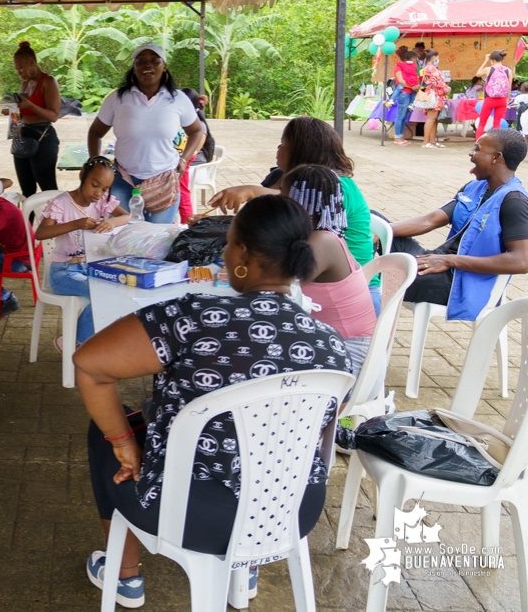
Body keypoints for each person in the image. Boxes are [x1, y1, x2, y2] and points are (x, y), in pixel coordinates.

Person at [75, 195, 352, 608]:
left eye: (228, 243)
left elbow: (89, 365)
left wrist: (124, 443)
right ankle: (246, 570)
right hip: (293, 511)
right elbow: (319, 425)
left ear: (242, 254)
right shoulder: (331, 345)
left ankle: (126, 576)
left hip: (191, 515)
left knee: (106, 430)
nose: (224, 251)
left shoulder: (192, 316)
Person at [207, 116, 380, 312]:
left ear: (300, 150)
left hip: (355, 297)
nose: (278, 149)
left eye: (282, 144)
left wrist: (253, 191)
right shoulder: (308, 188)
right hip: (321, 289)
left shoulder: (334, 188)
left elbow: (283, 279)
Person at [390, 129, 528, 317]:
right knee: (374, 222)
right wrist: (378, 232)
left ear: (496, 158)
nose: (471, 154)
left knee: (385, 277)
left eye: (477, 149)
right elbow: (430, 220)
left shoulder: (514, 201)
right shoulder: (474, 187)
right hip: (437, 261)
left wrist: (449, 260)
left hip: (461, 282)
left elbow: (521, 261)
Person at [88, 43, 204, 223]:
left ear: (164, 66)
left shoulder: (178, 99)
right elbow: (95, 132)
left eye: (155, 61)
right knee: (120, 237)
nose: (147, 65)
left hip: (163, 182)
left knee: (156, 240)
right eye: (140, 61)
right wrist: (95, 162)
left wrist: (183, 159)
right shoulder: (117, 98)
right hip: (123, 180)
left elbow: (197, 130)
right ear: (134, 68)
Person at [282, 165, 376, 371]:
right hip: (330, 343)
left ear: (301, 203)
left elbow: (279, 284)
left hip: (350, 357)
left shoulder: (322, 242)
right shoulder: (321, 235)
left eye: (284, 197)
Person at [35, 156, 129, 352]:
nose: (98, 193)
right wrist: (75, 224)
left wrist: (111, 222)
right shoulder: (62, 203)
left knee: (120, 288)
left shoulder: (102, 201)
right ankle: (77, 343)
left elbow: (126, 216)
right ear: (82, 176)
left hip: (90, 266)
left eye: (104, 189)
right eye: (95, 185)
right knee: (100, 293)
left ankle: (83, 339)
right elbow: (41, 233)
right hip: (63, 271)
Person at [3, 41, 62, 197]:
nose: (19, 72)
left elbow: (54, 115)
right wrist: (11, 111)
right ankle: (27, 221)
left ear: (31, 62)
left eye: (21, 67)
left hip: (44, 137)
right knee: (27, 191)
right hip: (24, 137)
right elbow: (22, 114)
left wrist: (29, 104)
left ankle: (55, 220)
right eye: (17, 69)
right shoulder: (25, 84)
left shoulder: (48, 81)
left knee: (48, 188)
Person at [175, 88, 214, 221]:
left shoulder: (199, 126)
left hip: (194, 166)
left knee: (181, 192)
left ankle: (186, 221)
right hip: (183, 162)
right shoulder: (178, 123)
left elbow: (193, 153)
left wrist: (181, 160)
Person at [475, 50, 512, 140]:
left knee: (482, 124)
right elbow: (509, 88)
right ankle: (496, 145)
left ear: (492, 60)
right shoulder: (508, 71)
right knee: (497, 124)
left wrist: (485, 60)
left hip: (490, 100)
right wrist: (507, 100)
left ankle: (478, 145)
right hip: (502, 100)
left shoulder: (489, 69)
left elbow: (477, 74)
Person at [421, 49, 451, 150]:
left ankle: (432, 141)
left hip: (435, 95)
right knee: (431, 119)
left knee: (434, 120)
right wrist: (446, 89)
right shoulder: (431, 68)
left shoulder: (429, 68)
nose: (438, 59)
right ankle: (426, 142)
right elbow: (437, 82)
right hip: (434, 96)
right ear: (433, 57)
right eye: (437, 57)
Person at [393, 51, 420, 146]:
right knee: (400, 115)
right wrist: (412, 86)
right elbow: (401, 81)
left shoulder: (415, 67)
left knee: (404, 116)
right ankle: (397, 137)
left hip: (411, 92)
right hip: (404, 93)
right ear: (412, 58)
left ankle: (400, 136)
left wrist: (417, 86)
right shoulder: (399, 67)